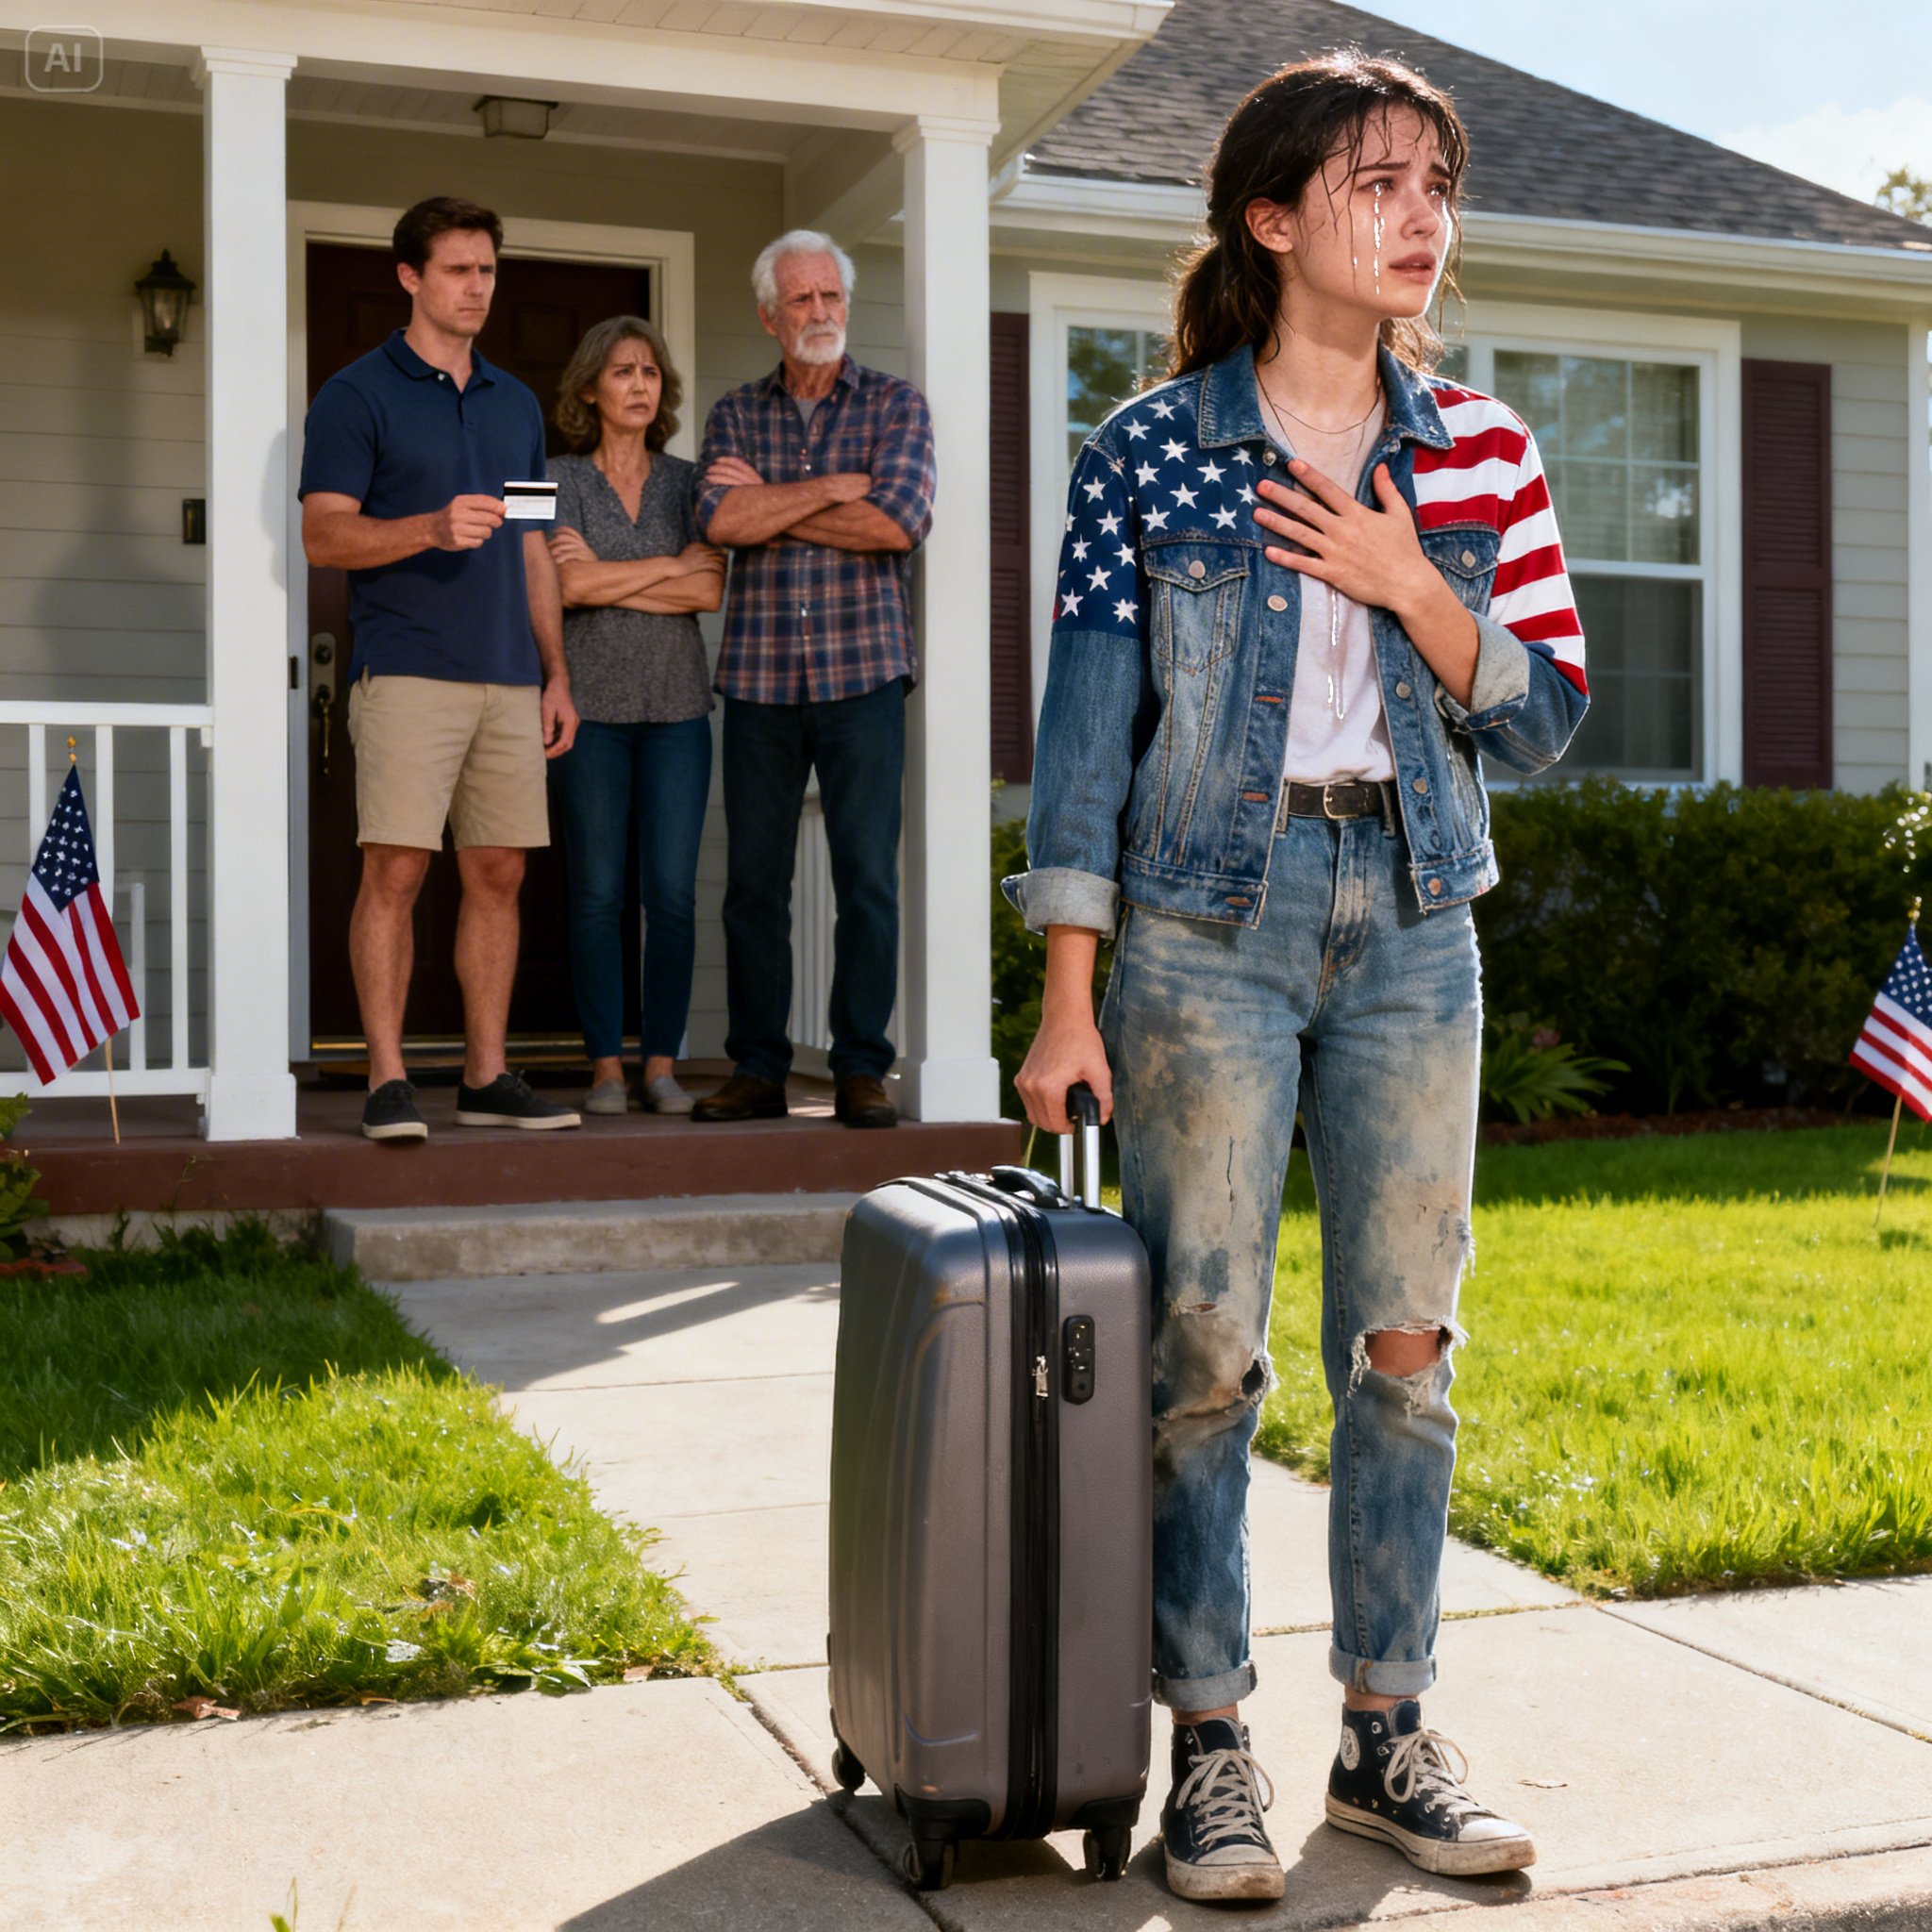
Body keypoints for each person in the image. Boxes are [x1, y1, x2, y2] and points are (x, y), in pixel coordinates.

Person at [1008, 55, 1589, 1904]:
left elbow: (1555, 712)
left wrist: (1418, 586)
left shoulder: (1481, 448)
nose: (1422, 215)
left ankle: (1385, 1735)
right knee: (1199, 1355)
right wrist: (1065, 996)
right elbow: (1085, 742)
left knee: (1404, 1350)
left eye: (1437, 183)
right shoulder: (1149, 450)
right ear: (1272, 218)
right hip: (1202, 928)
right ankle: (1209, 1748)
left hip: (1416, 916)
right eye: (1377, 182)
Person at [301, 194, 581, 1141]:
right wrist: (429, 525)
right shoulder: (355, 394)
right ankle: (387, 1080)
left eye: (487, 270)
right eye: (457, 269)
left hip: (510, 675)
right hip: (409, 668)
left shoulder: (515, 403)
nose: (475, 287)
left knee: (497, 872)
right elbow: (321, 532)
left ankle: (486, 1074)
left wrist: (556, 673)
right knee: (396, 870)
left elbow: (536, 548)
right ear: (410, 277)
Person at [690, 230, 936, 1130]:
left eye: (831, 296)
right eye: (802, 299)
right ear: (768, 315)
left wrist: (774, 509)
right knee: (753, 884)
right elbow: (719, 518)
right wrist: (837, 485)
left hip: (863, 674)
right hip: (757, 678)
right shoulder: (733, 414)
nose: (822, 312)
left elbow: (898, 524)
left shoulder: (896, 406)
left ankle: (859, 1068)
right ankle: (756, 1067)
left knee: (866, 877)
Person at [546, 317, 724, 1117]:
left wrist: (608, 574)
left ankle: (659, 1064)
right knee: (595, 894)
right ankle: (605, 1067)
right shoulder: (552, 478)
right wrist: (665, 570)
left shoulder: (694, 483)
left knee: (672, 896)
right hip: (590, 712)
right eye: (622, 372)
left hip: (680, 711)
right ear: (591, 388)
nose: (640, 385)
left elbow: (709, 590)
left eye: (650, 372)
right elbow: (564, 592)